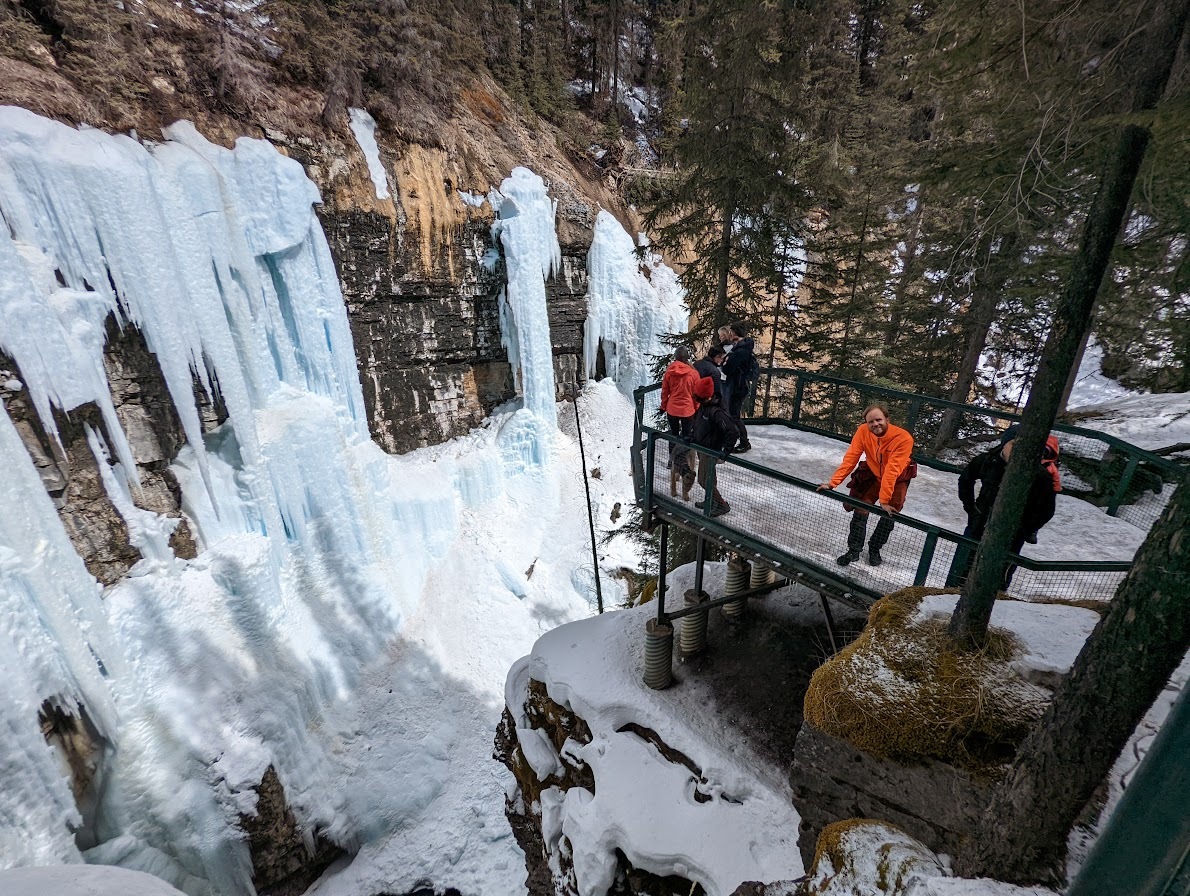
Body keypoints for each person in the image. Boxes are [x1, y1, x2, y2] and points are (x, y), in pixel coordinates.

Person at [945, 425, 1059, 588]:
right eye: (1014, 445)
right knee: (962, 568)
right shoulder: (988, 460)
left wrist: (1023, 528)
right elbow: (966, 479)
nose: (1018, 452)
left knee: (997, 579)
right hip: (978, 525)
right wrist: (971, 508)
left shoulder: (1039, 475)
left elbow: (1046, 510)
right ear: (1005, 444)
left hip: (1011, 537)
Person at [817, 403, 917, 567]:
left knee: (891, 512)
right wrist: (832, 483)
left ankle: (875, 549)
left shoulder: (903, 438)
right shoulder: (863, 431)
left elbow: (892, 470)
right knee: (861, 507)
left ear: (887, 419)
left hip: (897, 478)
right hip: (873, 472)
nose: (875, 424)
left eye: (878, 420)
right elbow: (851, 458)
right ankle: (854, 550)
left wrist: (884, 501)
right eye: (871, 422)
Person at [690, 376, 741, 516]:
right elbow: (699, 425)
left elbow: (732, 431)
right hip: (703, 447)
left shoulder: (716, 412)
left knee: (703, 480)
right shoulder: (705, 407)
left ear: (704, 396)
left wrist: (725, 451)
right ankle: (711, 500)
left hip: (710, 450)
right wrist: (692, 436)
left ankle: (722, 505)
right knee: (710, 478)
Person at [659, 346, 700, 496]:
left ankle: (673, 463)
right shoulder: (694, 374)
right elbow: (697, 393)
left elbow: (665, 391)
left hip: (673, 409)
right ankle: (686, 467)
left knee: (673, 436)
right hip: (688, 410)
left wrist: (663, 406)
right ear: (687, 358)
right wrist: (695, 407)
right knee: (686, 438)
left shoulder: (670, 371)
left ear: (676, 358)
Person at [721, 322, 757, 452]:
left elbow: (727, 369)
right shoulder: (743, 348)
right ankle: (738, 440)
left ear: (735, 332)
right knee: (732, 413)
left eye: (731, 331)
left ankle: (744, 442)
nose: (729, 334)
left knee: (733, 415)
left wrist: (725, 363)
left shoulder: (740, 351)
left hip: (738, 387)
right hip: (739, 385)